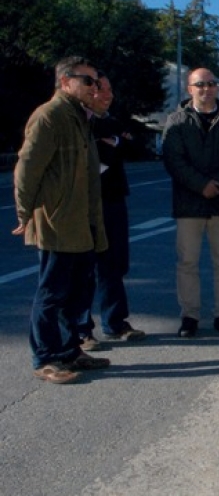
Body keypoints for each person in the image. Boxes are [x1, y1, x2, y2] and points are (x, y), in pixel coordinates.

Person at [14, 56, 111, 384]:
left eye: (96, 82)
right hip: (57, 222)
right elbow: (27, 167)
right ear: (65, 82)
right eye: (88, 81)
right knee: (52, 293)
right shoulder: (50, 115)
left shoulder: (79, 117)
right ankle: (45, 358)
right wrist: (24, 212)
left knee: (77, 292)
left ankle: (70, 351)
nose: (94, 88)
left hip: (80, 222)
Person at [162, 68, 219, 338]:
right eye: (200, 85)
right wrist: (200, 185)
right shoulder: (176, 121)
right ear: (190, 89)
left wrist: (216, 184)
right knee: (187, 263)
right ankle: (190, 316)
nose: (206, 89)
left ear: (217, 88)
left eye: (211, 84)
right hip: (189, 204)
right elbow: (173, 160)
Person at [77, 74, 145, 351]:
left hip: (114, 201)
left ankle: (115, 323)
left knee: (114, 265)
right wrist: (114, 145)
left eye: (110, 89)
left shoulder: (113, 122)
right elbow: (94, 158)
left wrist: (114, 143)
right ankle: (82, 330)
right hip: (86, 204)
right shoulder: (80, 122)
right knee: (83, 268)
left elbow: (133, 147)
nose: (108, 95)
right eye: (101, 89)